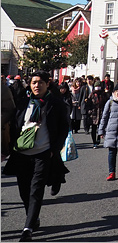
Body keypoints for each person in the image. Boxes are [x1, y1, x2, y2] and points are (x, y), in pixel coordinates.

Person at [3, 71, 70, 242]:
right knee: (24, 191)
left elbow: (63, 127)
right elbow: (14, 125)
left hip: (43, 153)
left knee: (36, 190)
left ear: (48, 84)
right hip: (22, 154)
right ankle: (33, 217)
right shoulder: (23, 102)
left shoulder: (55, 103)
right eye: (33, 82)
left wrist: (54, 149)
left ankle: (28, 228)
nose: (36, 85)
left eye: (40, 82)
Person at [86, 81, 108, 148]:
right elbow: (88, 104)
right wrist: (89, 111)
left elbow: (106, 103)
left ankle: (98, 138)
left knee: (100, 127)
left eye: (99, 86)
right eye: (96, 86)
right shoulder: (92, 94)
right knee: (93, 128)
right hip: (94, 113)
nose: (97, 88)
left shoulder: (104, 94)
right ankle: (94, 142)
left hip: (101, 112)